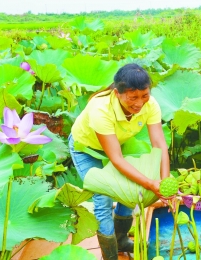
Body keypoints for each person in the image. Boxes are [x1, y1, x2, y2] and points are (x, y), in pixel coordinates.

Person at [68, 63, 170, 260]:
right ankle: (110, 256)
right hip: (87, 149)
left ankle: (121, 239)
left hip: (117, 143)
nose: (140, 103)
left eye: (144, 95)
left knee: (132, 191)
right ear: (117, 94)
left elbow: (159, 143)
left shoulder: (151, 105)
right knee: (103, 200)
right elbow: (116, 159)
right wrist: (150, 183)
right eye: (133, 97)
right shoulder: (101, 109)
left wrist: (164, 183)